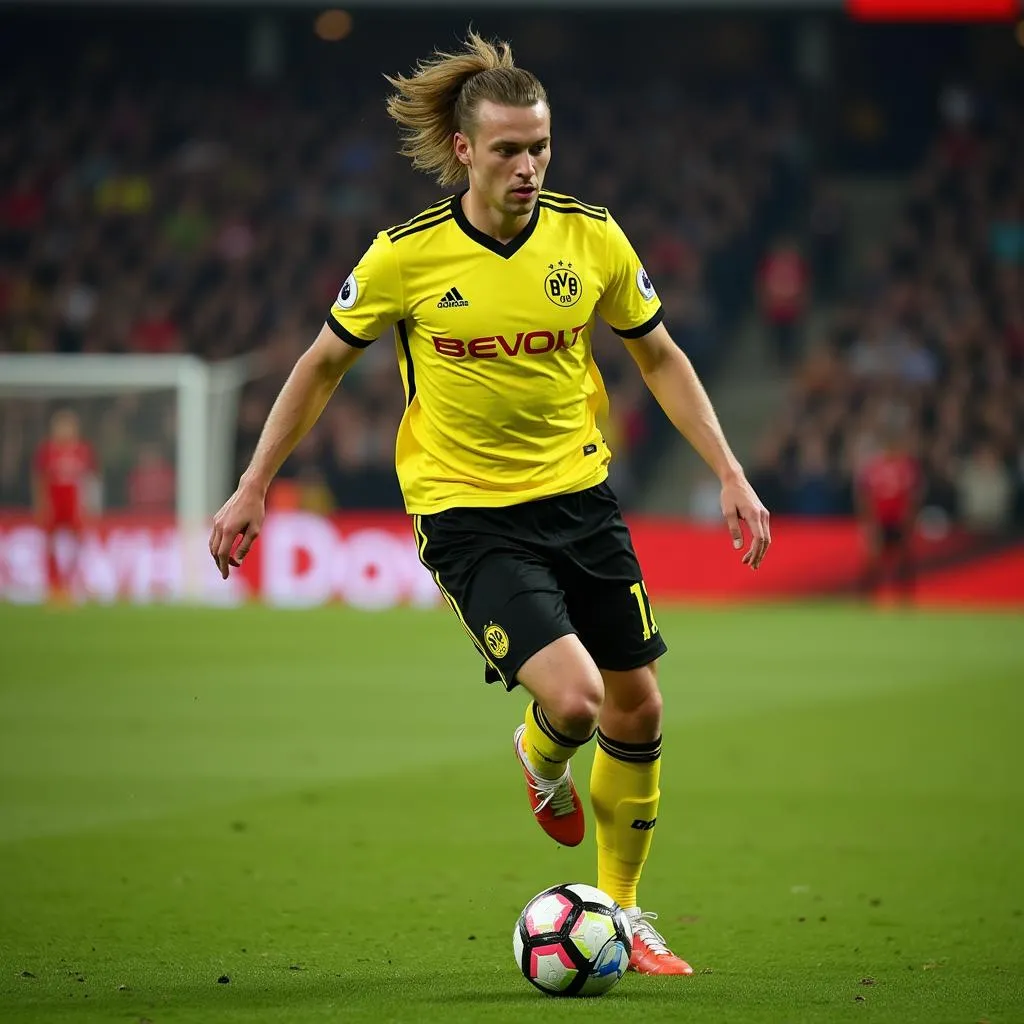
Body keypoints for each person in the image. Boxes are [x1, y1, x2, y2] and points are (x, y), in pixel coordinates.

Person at [209, 32, 771, 976]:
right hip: (468, 514)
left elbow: (659, 355)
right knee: (582, 700)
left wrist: (729, 469)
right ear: (465, 151)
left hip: (581, 498)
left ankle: (623, 917)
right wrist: (254, 482)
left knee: (639, 709)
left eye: (541, 146)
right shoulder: (405, 257)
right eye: (509, 149)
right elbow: (319, 366)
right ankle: (540, 753)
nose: (529, 166)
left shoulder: (589, 237)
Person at [32, 408, 97, 601]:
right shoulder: (47, 451)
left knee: (78, 545)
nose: (65, 430)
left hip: (74, 505)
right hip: (53, 505)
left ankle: (71, 583)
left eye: (68, 426)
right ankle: (54, 585)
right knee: (50, 545)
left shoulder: (83, 450)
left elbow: (90, 479)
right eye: (61, 426)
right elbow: (38, 479)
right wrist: (40, 504)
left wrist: (90, 504)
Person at [856, 430, 921, 602]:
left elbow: (912, 496)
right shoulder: (873, 468)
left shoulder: (906, 467)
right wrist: (870, 522)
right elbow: (864, 495)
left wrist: (909, 520)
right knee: (873, 559)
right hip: (880, 521)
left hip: (899, 521)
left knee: (904, 558)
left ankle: (905, 597)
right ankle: (865, 596)